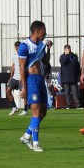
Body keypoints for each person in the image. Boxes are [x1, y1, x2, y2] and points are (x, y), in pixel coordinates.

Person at [18, 20, 52, 152]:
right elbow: (21, 67)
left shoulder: (40, 45)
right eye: (44, 30)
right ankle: (35, 143)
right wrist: (24, 86)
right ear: (37, 31)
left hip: (40, 79)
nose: (46, 33)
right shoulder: (24, 46)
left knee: (43, 112)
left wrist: (48, 49)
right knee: (36, 111)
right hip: (31, 80)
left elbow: (45, 61)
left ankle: (27, 135)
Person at [6, 41, 28, 116]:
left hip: (22, 78)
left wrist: (23, 77)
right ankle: (14, 107)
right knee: (8, 91)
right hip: (14, 77)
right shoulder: (14, 56)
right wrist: (10, 77)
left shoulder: (24, 56)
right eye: (16, 49)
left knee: (24, 94)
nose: (17, 50)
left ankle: (25, 110)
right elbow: (13, 66)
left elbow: (25, 67)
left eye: (18, 49)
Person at [59, 44, 81, 109]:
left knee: (75, 91)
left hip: (73, 77)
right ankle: (68, 104)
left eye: (69, 49)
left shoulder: (74, 56)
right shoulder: (62, 56)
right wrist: (66, 55)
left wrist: (79, 75)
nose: (69, 50)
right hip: (65, 78)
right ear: (64, 50)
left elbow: (77, 66)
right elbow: (63, 63)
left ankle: (78, 104)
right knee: (67, 92)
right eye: (67, 49)